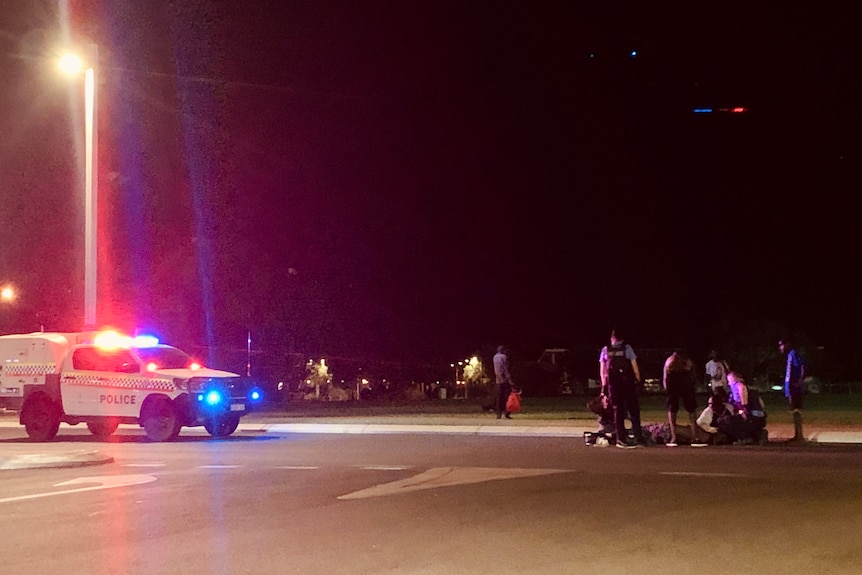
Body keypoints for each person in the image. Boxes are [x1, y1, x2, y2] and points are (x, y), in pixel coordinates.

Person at [599, 328, 645, 448]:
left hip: (613, 385)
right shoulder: (627, 348)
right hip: (628, 383)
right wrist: (638, 380)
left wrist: (604, 388)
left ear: (612, 338)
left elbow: (603, 372)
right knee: (633, 411)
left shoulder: (605, 350)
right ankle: (639, 439)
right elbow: (634, 366)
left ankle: (621, 439)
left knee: (617, 411)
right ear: (622, 339)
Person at [663, 350, 706, 447]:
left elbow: (665, 377)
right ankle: (695, 437)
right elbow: (693, 375)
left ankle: (674, 438)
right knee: (691, 410)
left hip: (674, 384)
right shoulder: (687, 361)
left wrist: (667, 388)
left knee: (673, 409)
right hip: (685, 383)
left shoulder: (670, 360)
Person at [722, 371, 768, 445]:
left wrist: (743, 412)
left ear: (735, 379)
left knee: (727, 420)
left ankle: (745, 437)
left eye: (730, 381)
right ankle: (758, 435)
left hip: (752, 417)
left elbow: (744, 405)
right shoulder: (752, 390)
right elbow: (762, 405)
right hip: (760, 417)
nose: (729, 384)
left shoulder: (740, 387)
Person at [779, 338, 806, 443]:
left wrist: (798, 381)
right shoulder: (789, 355)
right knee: (794, 411)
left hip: (794, 387)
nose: (780, 347)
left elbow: (801, 366)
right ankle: (797, 435)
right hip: (790, 388)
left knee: (796, 410)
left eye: (781, 345)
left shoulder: (793, 353)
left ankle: (799, 436)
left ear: (787, 344)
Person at [493, 345, 514, 419]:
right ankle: (507, 413)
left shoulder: (495, 357)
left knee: (499, 398)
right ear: (503, 350)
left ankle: (498, 414)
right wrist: (509, 379)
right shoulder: (503, 357)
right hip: (504, 380)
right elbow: (505, 368)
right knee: (507, 397)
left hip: (498, 380)